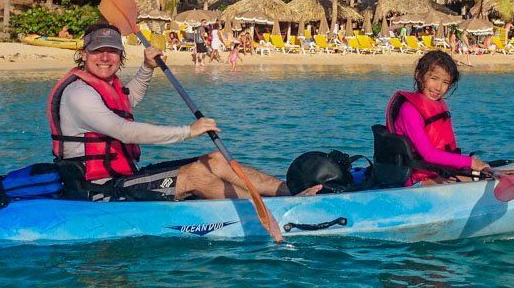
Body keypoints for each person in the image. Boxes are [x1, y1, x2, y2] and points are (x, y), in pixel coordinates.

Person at [49, 23, 319, 201]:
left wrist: (146, 68)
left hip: (122, 176)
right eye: (98, 51)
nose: (105, 58)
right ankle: (268, 208)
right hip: (96, 189)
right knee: (196, 176)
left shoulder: (104, 87)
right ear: (83, 54)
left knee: (214, 161)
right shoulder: (79, 94)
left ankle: (289, 192)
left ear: (121, 56)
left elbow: (128, 101)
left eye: (113, 52)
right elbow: (125, 131)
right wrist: (188, 131)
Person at [383, 51, 514, 187]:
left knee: (484, 172)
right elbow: (429, 155)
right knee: (482, 176)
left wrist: (468, 163)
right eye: (434, 78)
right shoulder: (411, 110)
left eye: (445, 83)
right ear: (419, 75)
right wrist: (469, 163)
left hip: (437, 171)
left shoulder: (435, 104)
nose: (438, 87)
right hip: (418, 179)